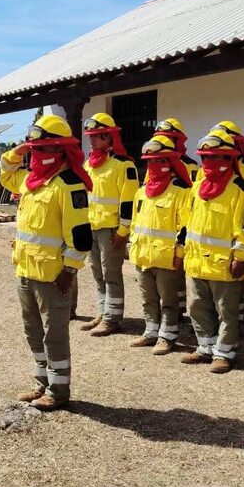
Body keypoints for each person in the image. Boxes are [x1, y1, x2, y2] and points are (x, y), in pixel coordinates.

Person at [0, 115, 93, 411]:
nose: (37, 153)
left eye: (43, 148)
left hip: (53, 275)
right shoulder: (30, 180)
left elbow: (80, 237)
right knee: (33, 332)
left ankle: (58, 391)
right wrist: (18, 151)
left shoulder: (69, 185)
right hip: (25, 270)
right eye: (34, 148)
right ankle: (41, 382)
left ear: (61, 149)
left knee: (55, 335)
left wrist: (69, 270)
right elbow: (5, 173)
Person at [180, 129, 244, 373]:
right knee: (197, 307)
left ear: (228, 158)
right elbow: (188, 221)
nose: (208, 162)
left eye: (214, 157)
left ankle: (224, 353)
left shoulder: (240, 188)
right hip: (196, 261)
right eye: (205, 157)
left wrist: (240, 256)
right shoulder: (198, 186)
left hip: (224, 264)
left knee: (226, 312)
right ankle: (205, 347)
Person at [128, 135, 193, 354]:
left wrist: (179, 253)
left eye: (160, 160)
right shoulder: (141, 192)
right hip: (142, 255)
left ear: (170, 162)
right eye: (150, 161)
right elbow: (135, 222)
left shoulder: (181, 191)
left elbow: (185, 227)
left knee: (168, 300)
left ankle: (168, 336)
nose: (154, 165)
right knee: (148, 298)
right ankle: (151, 331)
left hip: (167, 257)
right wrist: (132, 246)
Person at [80, 113, 139, 337]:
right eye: (90, 135)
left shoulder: (124, 165)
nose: (92, 139)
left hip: (111, 229)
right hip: (92, 227)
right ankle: (102, 312)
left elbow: (129, 202)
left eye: (97, 135)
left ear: (110, 136)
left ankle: (112, 319)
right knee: (97, 272)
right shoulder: (89, 164)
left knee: (111, 273)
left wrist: (123, 231)